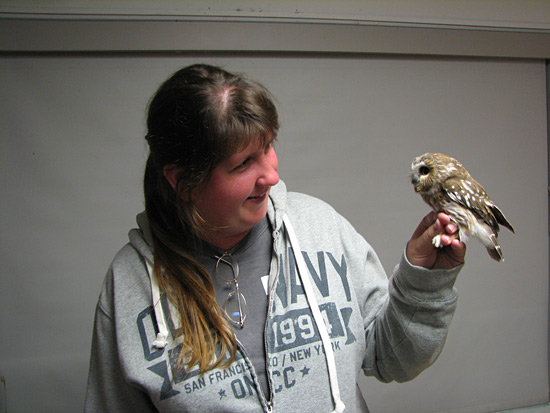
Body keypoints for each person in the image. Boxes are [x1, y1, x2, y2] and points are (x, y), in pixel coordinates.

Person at [84, 63, 466, 412]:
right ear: (183, 181)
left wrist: (422, 281)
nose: (270, 174)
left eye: (267, 147)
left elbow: (390, 357)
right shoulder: (129, 285)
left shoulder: (321, 229)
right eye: (243, 163)